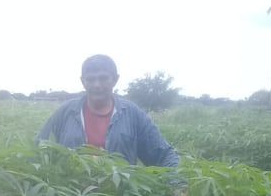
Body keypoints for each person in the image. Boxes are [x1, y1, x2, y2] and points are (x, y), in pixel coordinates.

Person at [35, 54, 180, 168]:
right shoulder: (65, 112)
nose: (96, 85)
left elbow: (163, 154)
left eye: (103, 78)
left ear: (115, 79)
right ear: (82, 81)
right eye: (90, 79)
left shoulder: (132, 114)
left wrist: (178, 185)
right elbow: (39, 147)